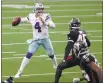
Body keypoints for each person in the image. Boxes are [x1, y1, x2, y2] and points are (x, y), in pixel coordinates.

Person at [12, 3, 57, 78]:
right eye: (39, 9)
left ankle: (56, 66)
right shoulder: (31, 16)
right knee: (28, 54)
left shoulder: (46, 16)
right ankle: (20, 71)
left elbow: (53, 26)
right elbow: (24, 20)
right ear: (35, 10)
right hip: (35, 40)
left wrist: (45, 22)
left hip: (45, 39)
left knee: (51, 55)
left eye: (42, 9)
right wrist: (19, 20)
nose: (41, 11)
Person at [54, 18, 102, 83]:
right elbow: (89, 44)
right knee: (90, 76)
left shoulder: (72, 33)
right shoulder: (82, 32)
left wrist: (65, 58)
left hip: (77, 58)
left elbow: (68, 46)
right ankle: (84, 78)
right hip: (86, 57)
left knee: (60, 67)